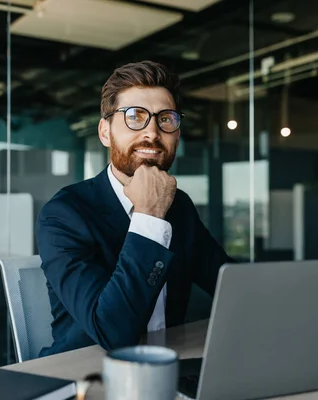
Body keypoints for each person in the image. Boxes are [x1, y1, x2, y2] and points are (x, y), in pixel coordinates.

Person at [35, 60, 236, 357]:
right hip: (87, 375)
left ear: (177, 135)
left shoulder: (179, 205)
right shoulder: (64, 215)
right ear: (105, 132)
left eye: (165, 119)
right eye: (135, 116)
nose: (152, 133)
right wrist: (149, 216)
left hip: (168, 366)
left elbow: (230, 284)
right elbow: (112, 333)